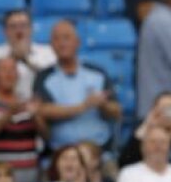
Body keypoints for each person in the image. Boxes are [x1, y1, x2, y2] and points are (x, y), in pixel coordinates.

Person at [34, 19, 121, 151]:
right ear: (51, 45)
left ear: (78, 42)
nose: (62, 43)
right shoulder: (43, 77)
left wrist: (103, 105)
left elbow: (116, 110)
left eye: (66, 38)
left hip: (99, 150)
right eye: (56, 39)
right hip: (61, 153)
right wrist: (83, 106)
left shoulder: (97, 72)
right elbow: (43, 110)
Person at [0, 10, 56, 102]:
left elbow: (54, 81)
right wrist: (12, 57)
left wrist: (25, 60)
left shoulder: (48, 51)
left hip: (41, 104)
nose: (19, 31)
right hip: (5, 104)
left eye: (23, 26)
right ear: (5, 31)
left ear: (31, 29)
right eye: (13, 26)